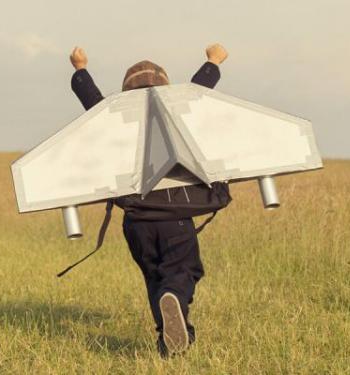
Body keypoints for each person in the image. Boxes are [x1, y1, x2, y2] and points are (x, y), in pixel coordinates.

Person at [66, 44, 231, 357]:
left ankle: (168, 344)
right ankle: (174, 304)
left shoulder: (115, 124)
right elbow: (198, 93)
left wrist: (80, 69)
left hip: (136, 223)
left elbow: (93, 103)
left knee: (154, 277)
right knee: (181, 273)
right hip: (175, 217)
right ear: (166, 90)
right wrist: (213, 61)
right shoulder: (177, 118)